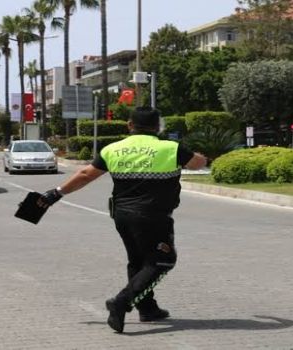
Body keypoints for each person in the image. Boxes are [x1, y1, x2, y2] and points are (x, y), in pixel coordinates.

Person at [38, 107, 206, 333]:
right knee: (163, 260)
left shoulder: (114, 149)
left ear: (129, 125)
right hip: (154, 216)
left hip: (122, 215)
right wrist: (200, 153)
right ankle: (122, 302)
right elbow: (198, 164)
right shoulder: (170, 148)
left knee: (138, 261)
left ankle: (147, 308)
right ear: (158, 127)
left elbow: (86, 175)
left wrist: (56, 193)